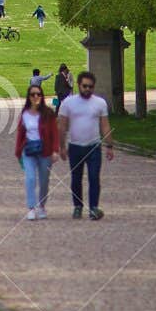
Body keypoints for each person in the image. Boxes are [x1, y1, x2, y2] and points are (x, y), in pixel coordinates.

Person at [57, 71, 112, 220]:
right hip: (75, 146)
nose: (87, 89)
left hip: (93, 146)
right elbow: (61, 126)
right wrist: (61, 147)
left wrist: (109, 145)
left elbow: (105, 125)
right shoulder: (68, 103)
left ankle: (93, 207)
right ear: (79, 85)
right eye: (84, 86)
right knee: (76, 178)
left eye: (90, 86)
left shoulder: (100, 103)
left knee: (94, 177)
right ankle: (78, 206)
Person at [15, 86, 58, 220]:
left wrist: (55, 150)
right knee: (30, 178)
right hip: (28, 150)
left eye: (38, 94)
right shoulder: (25, 113)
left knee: (44, 180)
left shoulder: (48, 113)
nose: (35, 97)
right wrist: (18, 151)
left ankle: (42, 205)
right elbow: (20, 134)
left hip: (45, 151)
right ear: (29, 97)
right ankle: (31, 207)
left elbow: (54, 133)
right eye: (33, 94)